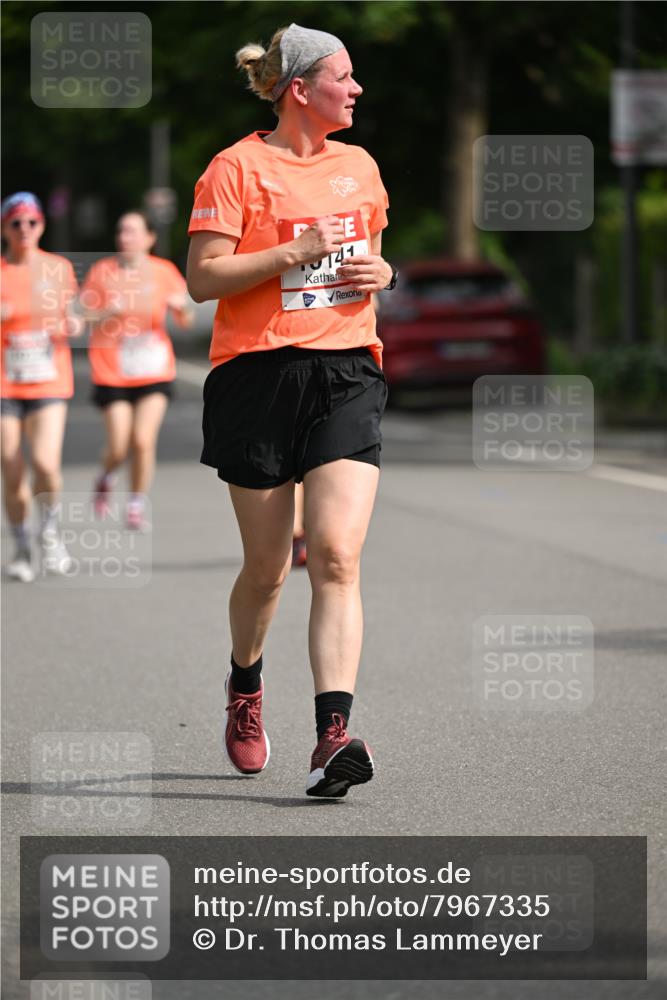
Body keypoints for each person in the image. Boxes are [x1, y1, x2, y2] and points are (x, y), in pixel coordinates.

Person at [187, 23, 398, 798]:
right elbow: (203, 279)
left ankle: (332, 736)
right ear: (301, 88)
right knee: (269, 570)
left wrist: (386, 271)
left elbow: (369, 259)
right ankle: (245, 689)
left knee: (337, 555)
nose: (357, 88)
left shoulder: (360, 166)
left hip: (346, 368)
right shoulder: (235, 169)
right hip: (257, 376)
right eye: (345, 76)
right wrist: (285, 254)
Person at [80, 212, 194, 531]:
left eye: (132, 231)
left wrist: (181, 306)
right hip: (112, 370)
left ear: (149, 238)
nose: (125, 237)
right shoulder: (103, 272)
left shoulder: (164, 271)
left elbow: (186, 320)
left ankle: (135, 503)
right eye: (121, 231)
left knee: (142, 440)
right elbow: (83, 318)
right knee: (119, 445)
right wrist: (106, 313)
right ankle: (106, 476)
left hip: (154, 368)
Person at [1, 191, 82, 582]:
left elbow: (73, 315)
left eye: (31, 222)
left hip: (50, 379)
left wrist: (73, 324)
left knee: (46, 465)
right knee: (13, 471)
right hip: (5, 384)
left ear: (41, 226)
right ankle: (20, 545)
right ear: (5, 228)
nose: (24, 229)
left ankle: (48, 532)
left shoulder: (59, 269)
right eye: (16, 223)